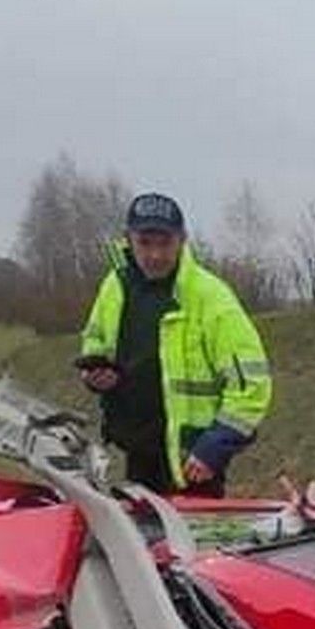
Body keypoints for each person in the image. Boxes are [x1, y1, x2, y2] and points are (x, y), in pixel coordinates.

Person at [75, 193, 272, 495]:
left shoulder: (211, 297)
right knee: (144, 540)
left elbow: (252, 383)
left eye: (164, 243)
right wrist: (97, 374)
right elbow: (95, 339)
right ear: (128, 239)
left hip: (193, 462)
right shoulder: (116, 286)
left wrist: (217, 443)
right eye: (145, 243)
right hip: (137, 451)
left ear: (182, 240)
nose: (154, 254)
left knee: (193, 542)